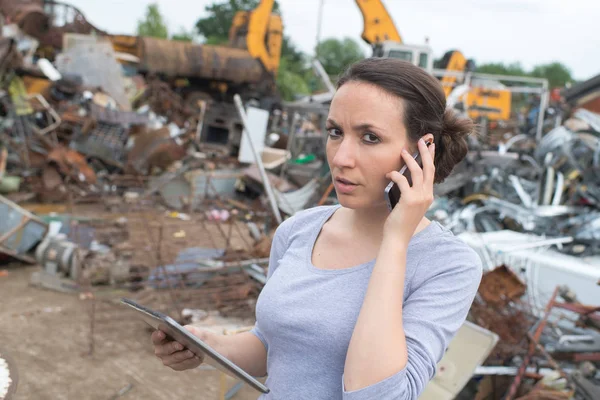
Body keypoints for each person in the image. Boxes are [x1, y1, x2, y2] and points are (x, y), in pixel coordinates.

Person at [151, 58, 483, 399]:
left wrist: (395, 241)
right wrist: (208, 347)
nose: (341, 157)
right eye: (335, 132)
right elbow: (275, 347)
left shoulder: (449, 265)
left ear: (421, 150)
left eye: (370, 137)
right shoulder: (299, 230)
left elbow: (377, 395)